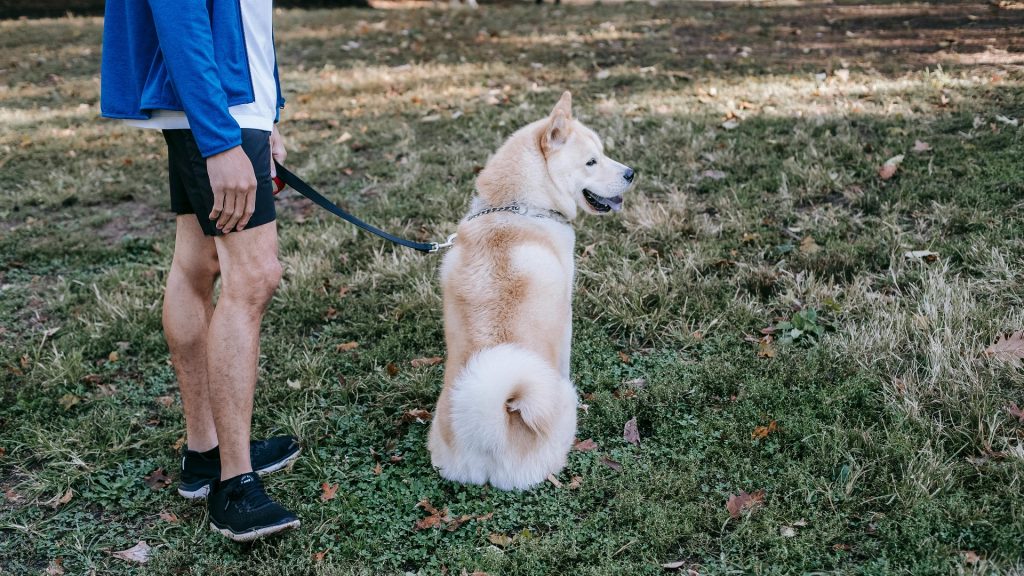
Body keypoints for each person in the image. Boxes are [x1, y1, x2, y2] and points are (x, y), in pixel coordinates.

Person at [100, 0, 302, 542]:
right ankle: (235, 484)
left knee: (199, 261)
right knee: (254, 276)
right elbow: (178, 15)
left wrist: (269, 110)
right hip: (214, 111)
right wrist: (221, 140)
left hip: (229, 104)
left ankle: (206, 453)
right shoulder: (217, 124)